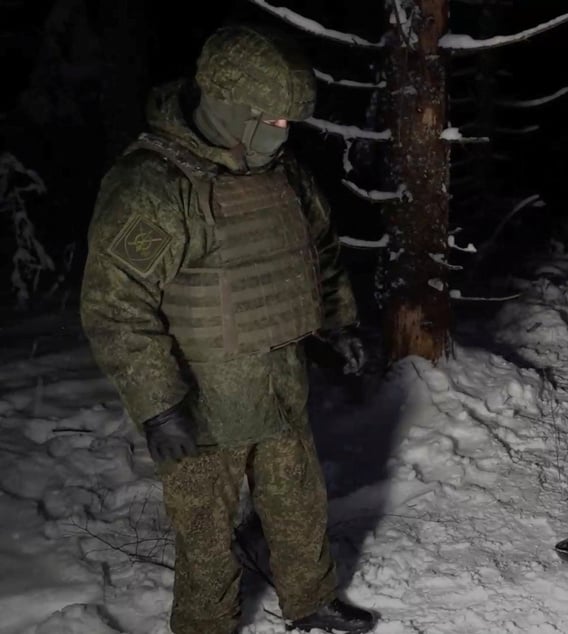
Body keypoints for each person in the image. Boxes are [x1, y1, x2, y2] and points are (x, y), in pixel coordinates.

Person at [79, 24, 377, 634]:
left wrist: (336, 326)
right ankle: (205, 626)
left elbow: (317, 253)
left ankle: (310, 600)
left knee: (298, 500)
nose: (281, 133)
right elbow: (116, 305)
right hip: (202, 397)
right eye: (269, 120)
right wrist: (158, 406)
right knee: (204, 531)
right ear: (228, 107)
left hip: (280, 380)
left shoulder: (284, 174)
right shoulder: (155, 186)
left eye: (287, 121)